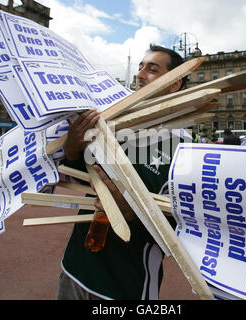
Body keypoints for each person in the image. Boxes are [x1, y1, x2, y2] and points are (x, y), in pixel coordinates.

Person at [56, 45, 186, 300]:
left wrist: (136, 212)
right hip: (74, 269)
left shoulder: (183, 147)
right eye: (139, 67)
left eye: (152, 69)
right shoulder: (111, 125)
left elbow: (183, 223)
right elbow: (82, 175)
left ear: (174, 84)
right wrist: (72, 150)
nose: (140, 74)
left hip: (124, 286)